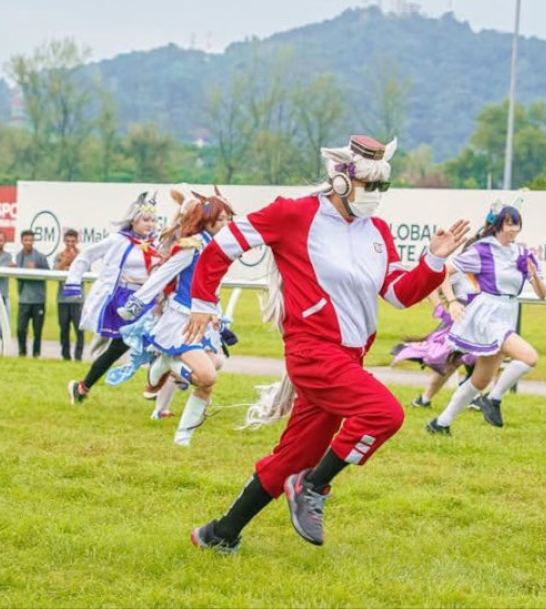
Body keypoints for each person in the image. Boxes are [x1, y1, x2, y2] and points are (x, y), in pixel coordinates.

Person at [183, 135, 469, 551]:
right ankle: (313, 486)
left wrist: (434, 260)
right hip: (313, 351)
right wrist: (202, 302)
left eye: (383, 186)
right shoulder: (293, 214)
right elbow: (224, 246)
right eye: (369, 185)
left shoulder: (378, 231)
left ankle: (219, 534)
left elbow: (399, 293)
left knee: (291, 458)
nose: (376, 194)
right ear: (341, 180)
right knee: (385, 414)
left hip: (347, 359)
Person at [118, 187, 235, 445]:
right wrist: (136, 304)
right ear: (207, 219)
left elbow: (212, 287)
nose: (226, 224)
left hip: (205, 320)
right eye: (221, 218)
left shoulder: (220, 247)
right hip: (182, 319)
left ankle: (183, 438)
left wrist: (217, 315)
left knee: (211, 373)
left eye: (229, 219)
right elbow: (162, 275)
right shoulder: (192, 246)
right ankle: (169, 363)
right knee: (208, 376)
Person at [427, 203, 546, 433]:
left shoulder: (523, 253)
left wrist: (533, 275)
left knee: (480, 380)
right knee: (529, 357)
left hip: (508, 313)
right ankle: (493, 399)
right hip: (488, 315)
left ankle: (440, 423)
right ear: (498, 225)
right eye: (509, 224)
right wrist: (452, 302)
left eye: (517, 224)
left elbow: (542, 294)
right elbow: (443, 272)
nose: (514, 229)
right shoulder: (482, 250)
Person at [64, 191, 160, 404]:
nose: (150, 224)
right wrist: (73, 282)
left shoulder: (158, 242)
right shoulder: (118, 240)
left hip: (150, 301)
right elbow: (86, 255)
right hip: (124, 300)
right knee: (119, 348)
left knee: (160, 341)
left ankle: (157, 391)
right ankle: (82, 387)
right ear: (133, 220)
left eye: (153, 220)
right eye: (145, 219)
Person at [393, 273, 478, 408]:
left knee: (473, 362)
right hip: (461, 324)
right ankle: (425, 399)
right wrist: (441, 309)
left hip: (480, 324)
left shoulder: (487, 268)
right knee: (453, 363)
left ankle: (470, 396)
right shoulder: (460, 270)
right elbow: (432, 286)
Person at [15, 229, 50, 358]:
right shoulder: (19, 256)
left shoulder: (40, 257)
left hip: (38, 300)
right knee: (20, 328)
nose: (28, 242)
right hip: (24, 299)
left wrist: (36, 270)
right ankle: (22, 352)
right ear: (22, 241)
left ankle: (36, 353)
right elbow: (18, 277)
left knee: (37, 330)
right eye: (26, 240)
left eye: (30, 240)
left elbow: (48, 274)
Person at [54, 229, 84, 362]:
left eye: (73, 241)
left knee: (79, 329)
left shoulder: (83, 256)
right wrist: (65, 261)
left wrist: (74, 262)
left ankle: (78, 356)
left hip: (78, 299)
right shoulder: (59, 256)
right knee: (64, 328)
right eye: (68, 241)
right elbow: (55, 272)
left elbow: (85, 273)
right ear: (64, 241)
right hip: (63, 299)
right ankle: (65, 355)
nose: (70, 244)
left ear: (77, 241)